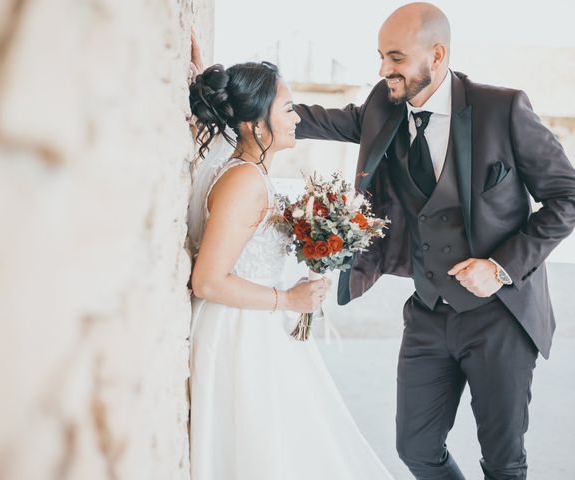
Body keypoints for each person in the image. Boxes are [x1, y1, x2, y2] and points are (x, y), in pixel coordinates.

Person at [291, 3, 575, 479]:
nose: (383, 71)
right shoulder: (383, 107)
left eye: (396, 58)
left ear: (436, 55)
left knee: (504, 463)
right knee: (416, 449)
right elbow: (310, 117)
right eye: (381, 56)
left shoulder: (501, 108)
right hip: (427, 312)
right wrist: (226, 93)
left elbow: (566, 196)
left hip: (500, 314)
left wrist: (500, 266)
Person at [186, 59, 394, 479]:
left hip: (254, 324)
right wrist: (288, 299)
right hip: (236, 333)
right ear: (256, 125)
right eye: (287, 108)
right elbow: (207, 280)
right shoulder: (244, 181)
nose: (297, 117)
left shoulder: (249, 172)